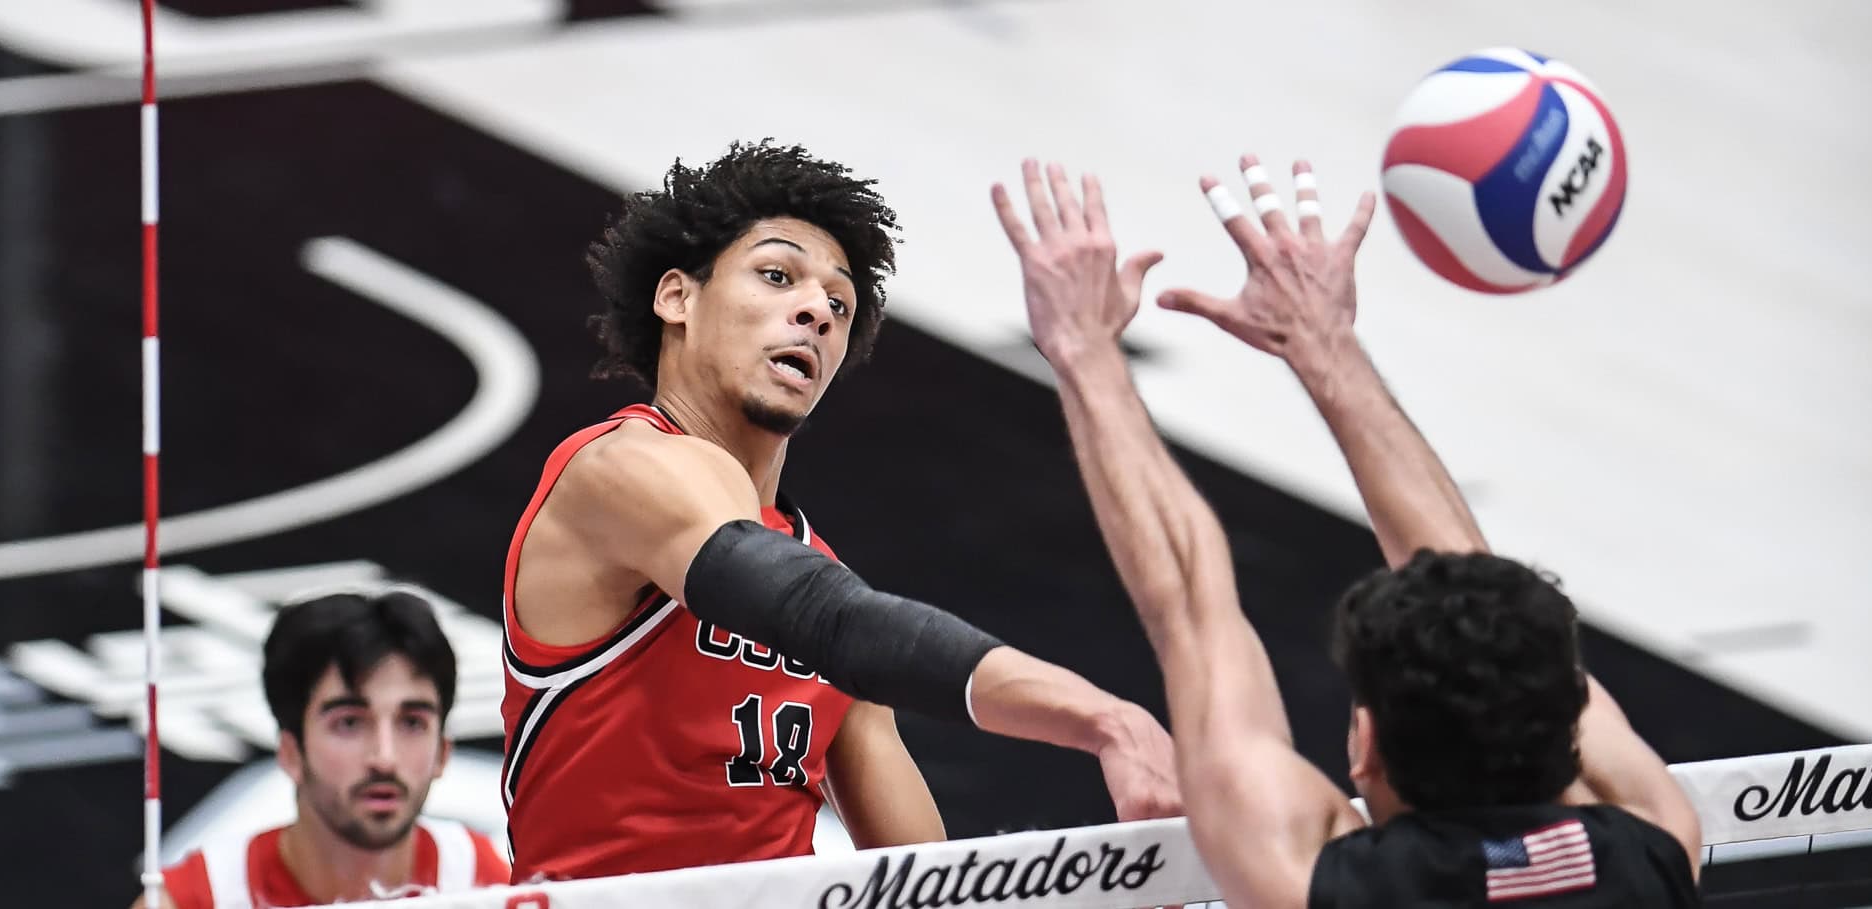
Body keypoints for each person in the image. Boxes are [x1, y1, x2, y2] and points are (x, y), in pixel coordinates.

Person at [989, 155, 1703, 907]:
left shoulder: (1317, 886)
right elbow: (1481, 605)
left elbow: (1194, 601)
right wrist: (1321, 339)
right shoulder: (1653, 843)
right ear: (1569, 731)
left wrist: (1083, 347)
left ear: (1365, 749)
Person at [499, 139, 1179, 883]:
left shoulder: (825, 583)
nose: (816, 310)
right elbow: (829, 619)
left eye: (838, 304)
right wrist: (1101, 718)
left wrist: (1130, 881)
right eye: (776, 274)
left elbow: (927, 881)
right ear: (676, 297)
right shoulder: (617, 469)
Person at [133, 588, 509, 908]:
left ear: (443, 752)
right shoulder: (201, 900)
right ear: (290, 750)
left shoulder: (483, 888)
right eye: (349, 722)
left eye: (412, 723)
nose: (384, 758)